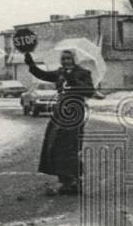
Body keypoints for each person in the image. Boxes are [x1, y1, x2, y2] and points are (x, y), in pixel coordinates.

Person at [24, 49, 99, 195]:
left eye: (68, 59)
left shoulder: (83, 73)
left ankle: (75, 180)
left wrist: (73, 80)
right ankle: (64, 180)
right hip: (59, 111)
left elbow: (89, 91)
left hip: (74, 111)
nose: (66, 61)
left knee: (70, 145)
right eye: (63, 59)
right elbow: (43, 75)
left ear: (74, 59)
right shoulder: (60, 73)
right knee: (54, 144)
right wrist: (31, 64)